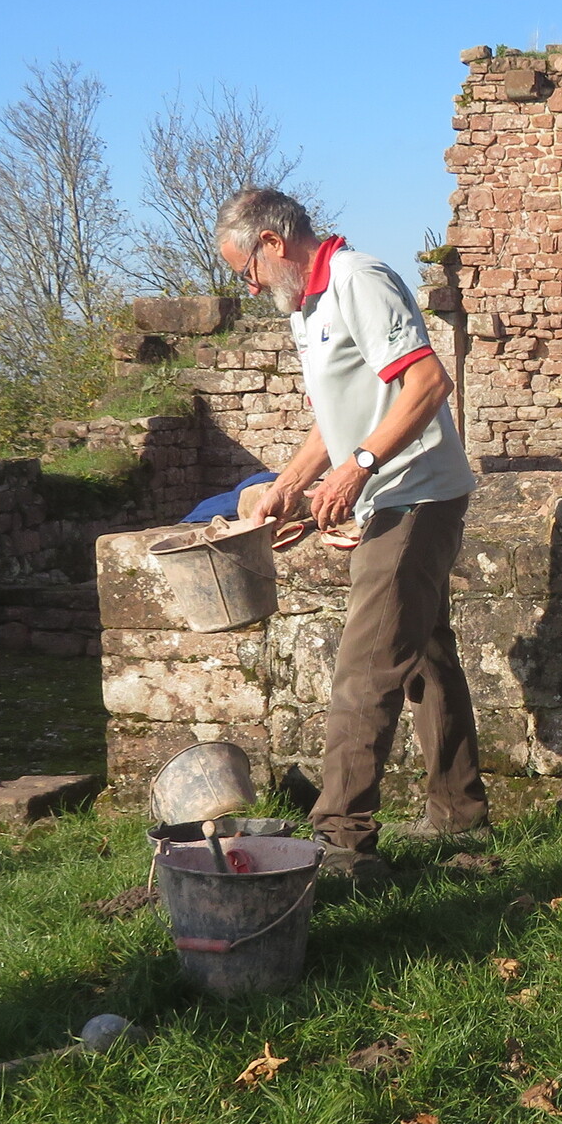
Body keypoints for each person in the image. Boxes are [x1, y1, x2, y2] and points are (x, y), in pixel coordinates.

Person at [212, 187, 486, 881]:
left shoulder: (359, 281)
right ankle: (459, 812)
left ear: (272, 243)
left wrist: (357, 469)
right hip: (392, 495)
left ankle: (340, 838)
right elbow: (337, 416)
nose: (249, 287)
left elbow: (428, 385)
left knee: (365, 668)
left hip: (415, 495)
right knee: (424, 654)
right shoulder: (307, 307)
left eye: (247, 271)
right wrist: (290, 484)